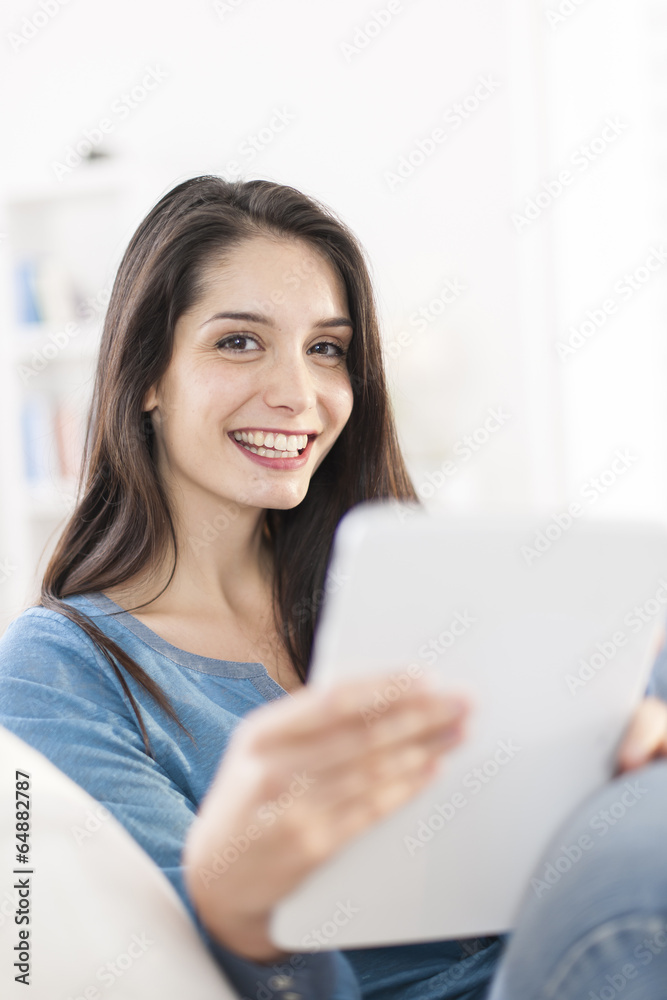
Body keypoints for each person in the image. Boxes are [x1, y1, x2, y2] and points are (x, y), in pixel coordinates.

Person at [1, 175, 667, 1000]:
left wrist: (607, 751)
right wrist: (245, 906)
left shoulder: (405, 586)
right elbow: (156, 970)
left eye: (326, 349)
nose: (298, 394)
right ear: (148, 376)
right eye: (239, 342)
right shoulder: (62, 666)